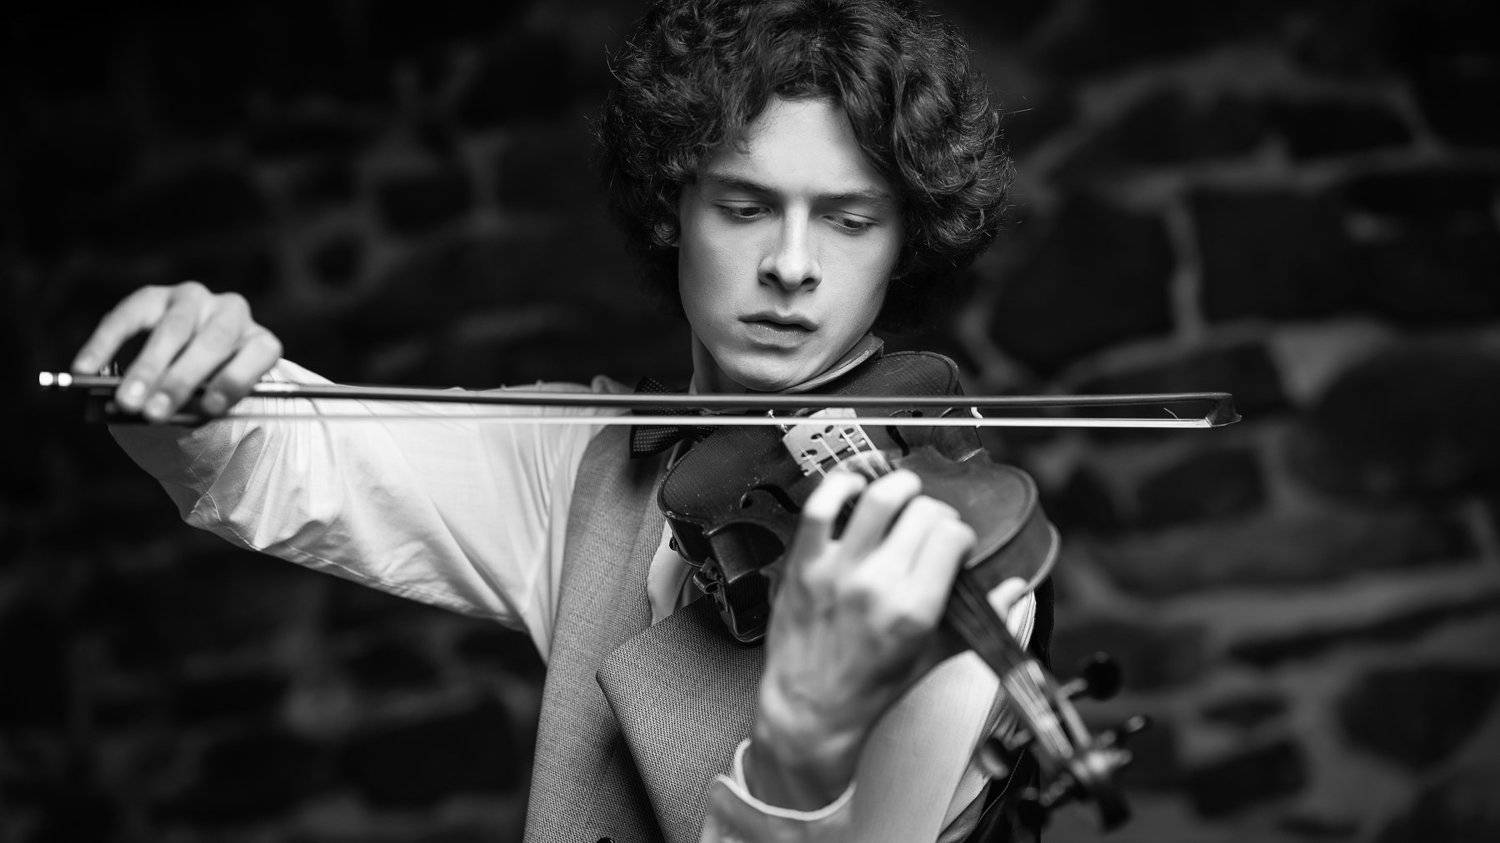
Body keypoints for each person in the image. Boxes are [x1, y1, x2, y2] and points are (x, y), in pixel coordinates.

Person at [70, 1, 1045, 840]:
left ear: (901, 242)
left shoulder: (953, 560)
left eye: (849, 219)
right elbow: (308, 457)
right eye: (746, 207)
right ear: (673, 207)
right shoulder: (584, 461)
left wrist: (805, 740)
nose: (792, 265)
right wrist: (177, 364)